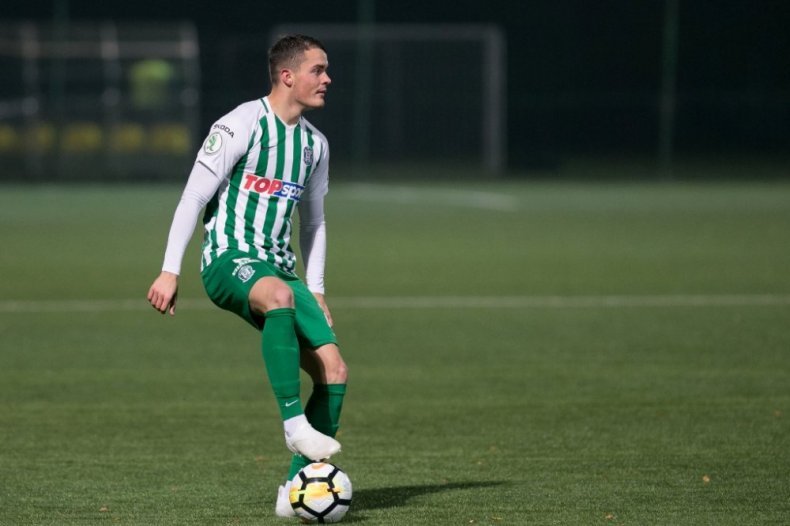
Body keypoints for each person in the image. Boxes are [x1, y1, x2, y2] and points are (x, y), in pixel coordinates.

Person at [146, 34, 347, 518]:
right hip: (227, 259)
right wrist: (170, 270)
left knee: (334, 370)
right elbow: (194, 197)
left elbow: (314, 222)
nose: (327, 79)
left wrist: (317, 288)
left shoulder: (314, 145)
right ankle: (294, 424)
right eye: (318, 70)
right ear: (287, 76)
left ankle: (293, 488)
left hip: (280, 269)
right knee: (277, 295)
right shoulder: (240, 124)